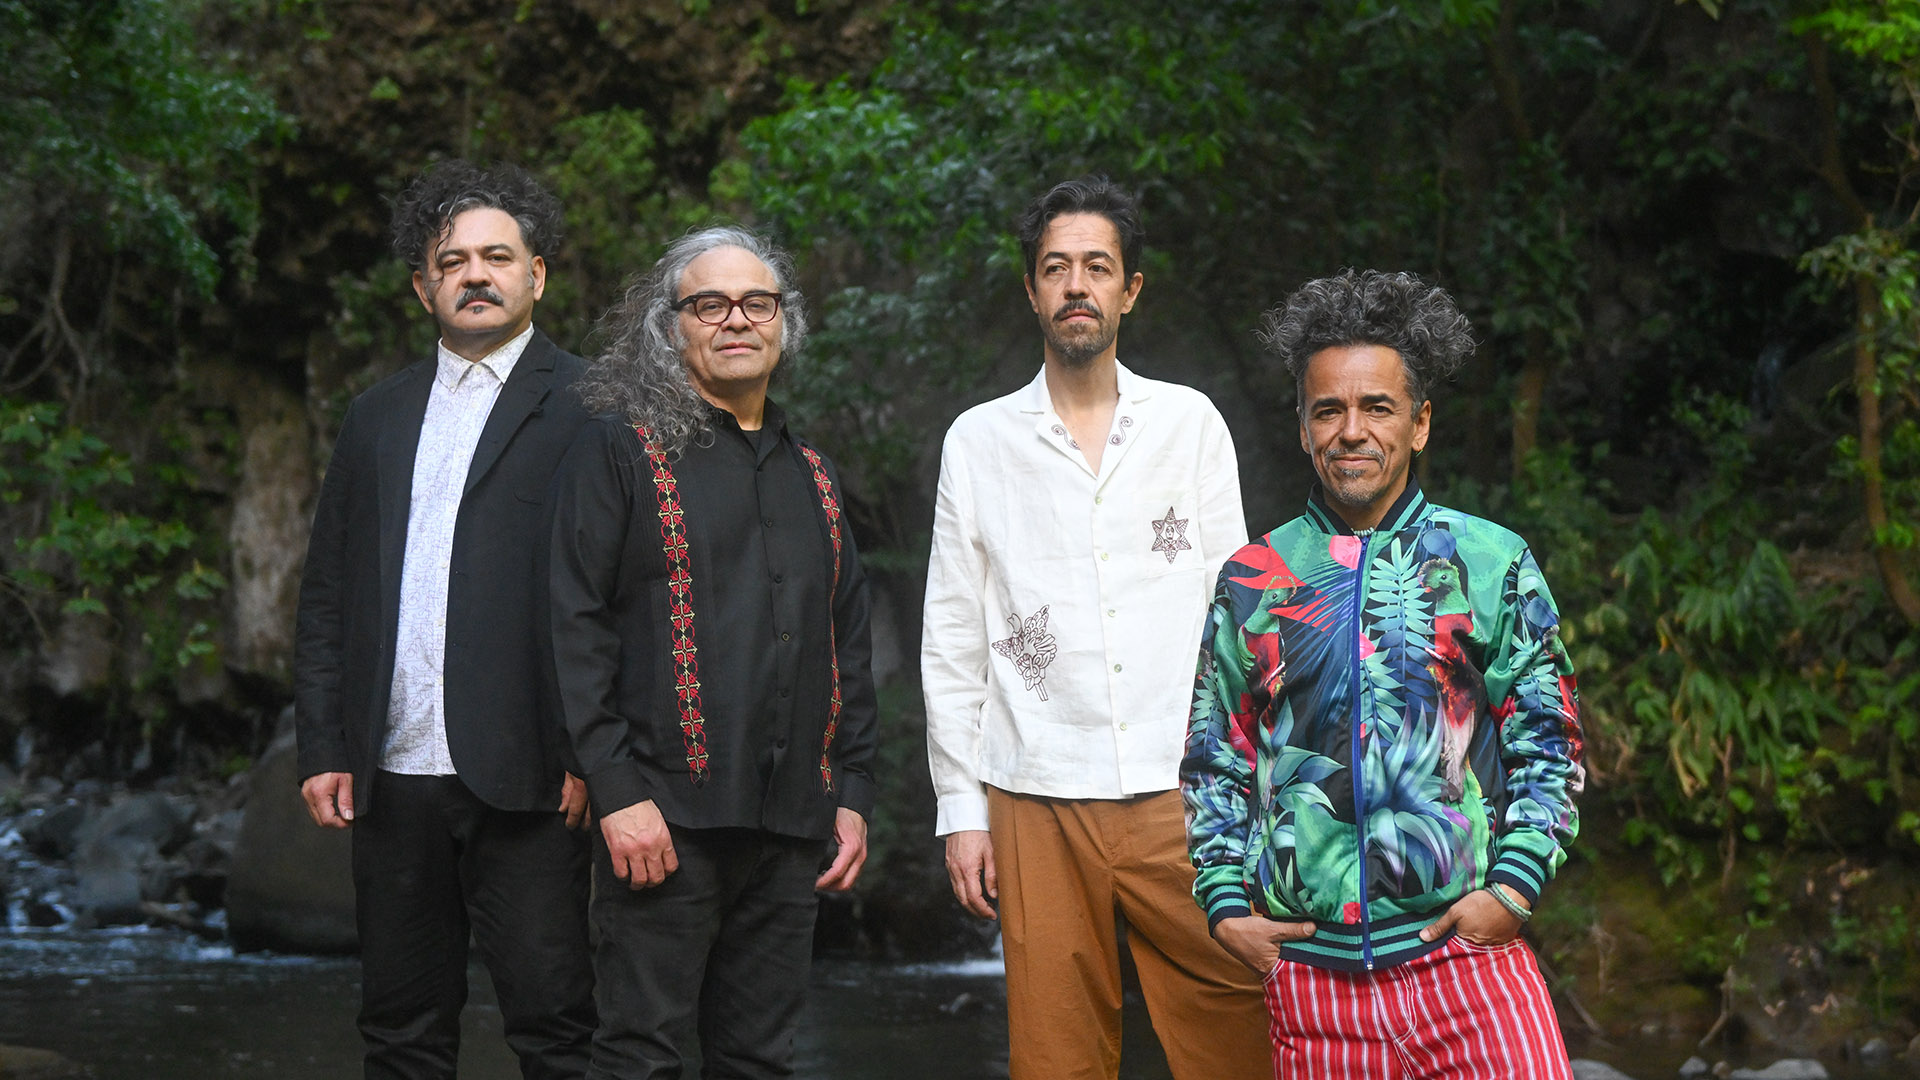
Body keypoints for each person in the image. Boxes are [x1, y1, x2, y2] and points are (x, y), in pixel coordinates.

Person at [1184, 268, 1585, 1078]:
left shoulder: (1490, 561)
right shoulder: (1253, 578)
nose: (1351, 431)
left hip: (1468, 966)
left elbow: (1552, 741)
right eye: (1327, 409)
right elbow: (1215, 759)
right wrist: (1226, 907)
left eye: (1377, 407)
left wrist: (1511, 891)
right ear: (1302, 427)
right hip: (1314, 987)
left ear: (1420, 422)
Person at [921, 177, 1271, 1079]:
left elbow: (1238, 620)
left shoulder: (1189, 424)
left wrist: (1258, 786)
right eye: (1057, 268)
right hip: (1034, 791)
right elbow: (954, 639)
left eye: (1097, 267)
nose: (1077, 285)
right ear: (1032, 289)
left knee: (1237, 1035)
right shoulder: (979, 442)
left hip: (1183, 791)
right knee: (1055, 1059)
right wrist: (961, 812)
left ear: (1131, 289)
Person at [547, 225, 877, 1080]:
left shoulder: (817, 475)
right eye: (710, 303)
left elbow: (849, 642)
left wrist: (853, 795)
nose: (736, 319)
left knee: (761, 1061)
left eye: (756, 302)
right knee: (638, 1058)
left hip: (792, 828)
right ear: (672, 328)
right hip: (660, 824)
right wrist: (616, 790)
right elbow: (573, 626)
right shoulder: (617, 452)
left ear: (783, 323)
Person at [292, 159, 596, 1079]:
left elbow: (624, 599)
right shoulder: (375, 416)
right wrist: (323, 745)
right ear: (423, 284)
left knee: (555, 1029)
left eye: (497, 256)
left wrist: (594, 755)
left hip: (533, 779)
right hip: (393, 775)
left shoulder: (595, 408)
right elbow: (329, 592)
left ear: (535, 275)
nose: (475, 274)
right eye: (452, 259)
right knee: (399, 1031)